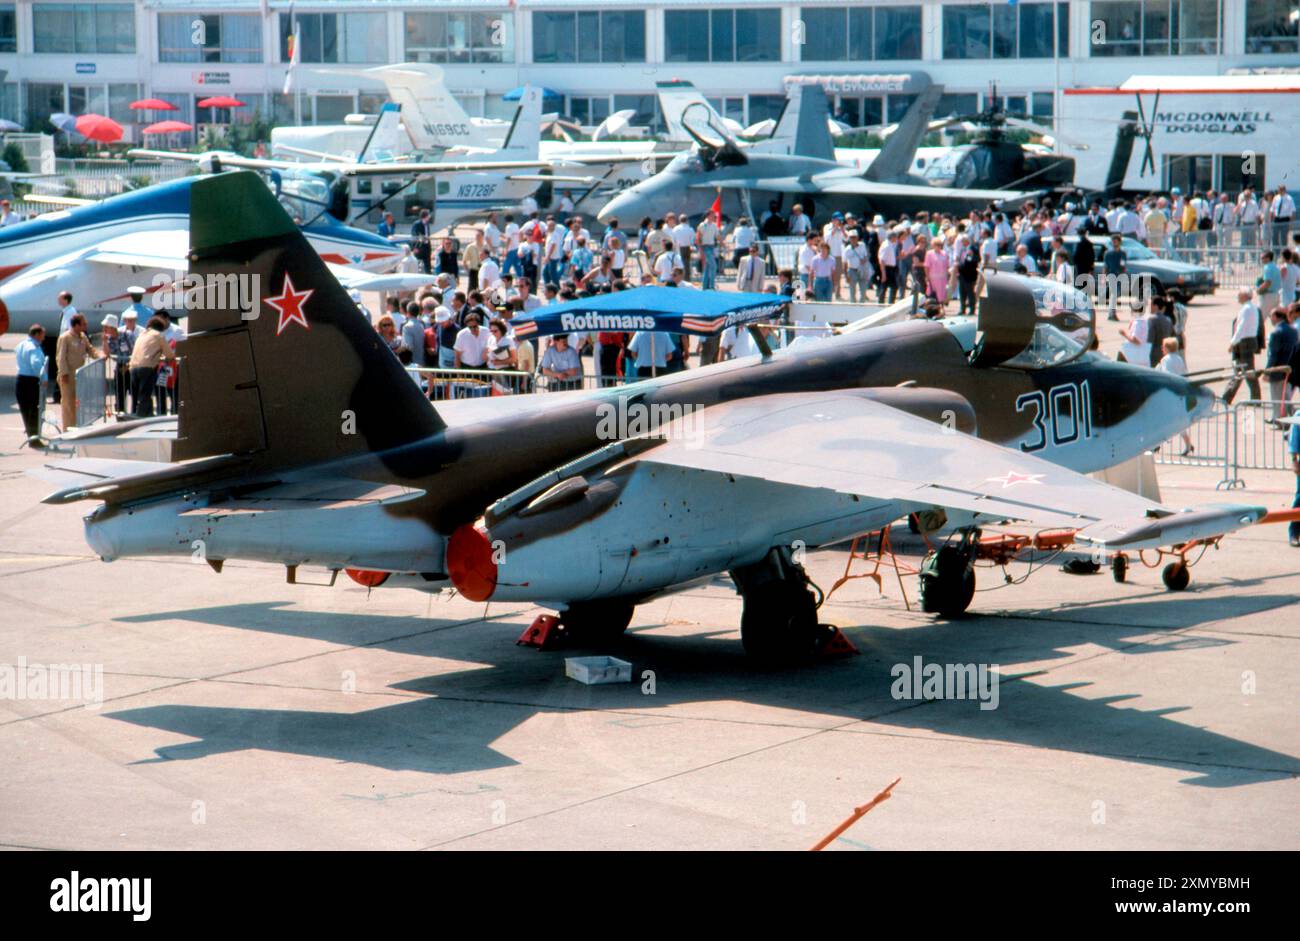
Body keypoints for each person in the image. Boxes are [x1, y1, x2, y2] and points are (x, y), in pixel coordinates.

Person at [54, 313, 100, 430]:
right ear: (76, 325)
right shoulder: (65, 337)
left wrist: (99, 356)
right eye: (83, 324)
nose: (86, 326)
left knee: (79, 402)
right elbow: (61, 357)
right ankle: (68, 428)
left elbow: (90, 349)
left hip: (80, 375)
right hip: (68, 375)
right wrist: (63, 373)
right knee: (68, 404)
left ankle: (78, 425)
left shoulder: (83, 336)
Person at [127, 315, 174, 418]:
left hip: (133, 367)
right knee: (145, 395)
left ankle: (146, 415)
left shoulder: (141, 335)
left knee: (138, 396)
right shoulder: (158, 336)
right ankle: (142, 419)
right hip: (147, 367)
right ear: (160, 328)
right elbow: (170, 354)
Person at [1155, 336, 1194, 455]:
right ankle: (1188, 444)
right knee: (1178, 421)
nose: (1162, 348)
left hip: (1169, 394)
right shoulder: (1179, 359)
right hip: (1179, 393)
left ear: (1167, 348)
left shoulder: (1166, 360)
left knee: (1160, 420)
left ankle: (1155, 444)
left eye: (1163, 346)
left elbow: (1166, 375)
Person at [1223, 289, 1262, 404]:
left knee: (1247, 371)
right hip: (1247, 341)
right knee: (1239, 370)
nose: (1237, 297)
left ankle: (1255, 399)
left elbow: (1241, 328)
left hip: (1245, 342)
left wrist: (1233, 342)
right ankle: (1227, 397)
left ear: (1245, 296)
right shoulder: (1251, 308)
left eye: (1239, 295)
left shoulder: (1247, 309)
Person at [14, 325, 48, 445]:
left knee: (25, 411)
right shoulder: (34, 347)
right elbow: (36, 364)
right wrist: (43, 377)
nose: (43, 338)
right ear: (37, 334)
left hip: (20, 380)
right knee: (34, 411)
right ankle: (34, 439)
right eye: (43, 335)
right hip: (30, 382)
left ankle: (31, 437)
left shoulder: (21, 344)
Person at [1265, 307, 1298, 424]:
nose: (1270, 319)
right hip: (1290, 368)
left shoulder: (1276, 332)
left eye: (1271, 316)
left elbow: (1273, 354)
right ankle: (1288, 418)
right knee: (1286, 396)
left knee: (1277, 396)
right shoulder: (1293, 330)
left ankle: (1279, 420)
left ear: (1276, 317)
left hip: (1278, 369)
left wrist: (1267, 371)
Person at [843, 231, 872, 303]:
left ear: (857, 238)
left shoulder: (862, 245)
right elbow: (844, 263)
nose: (853, 239)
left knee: (863, 290)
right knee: (852, 291)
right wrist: (846, 275)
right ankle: (853, 306)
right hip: (852, 270)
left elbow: (866, 255)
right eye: (851, 238)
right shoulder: (847, 249)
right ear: (849, 239)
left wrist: (864, 260)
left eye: (854, 237)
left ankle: (861, 305)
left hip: (862, 270)